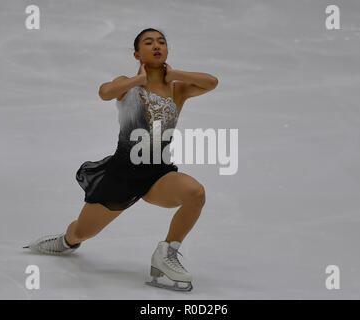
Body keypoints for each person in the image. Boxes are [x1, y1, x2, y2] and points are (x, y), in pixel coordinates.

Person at [24, 28, 218, 291]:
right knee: (84, 231)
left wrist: (175, 74)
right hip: (122, 175)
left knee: (195, 193)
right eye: (148, 43)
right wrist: (136, 81)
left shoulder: (178, 90)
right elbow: (105, 92)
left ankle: (167, 253)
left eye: (161, 42)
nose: (157, 45)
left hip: (158, 174)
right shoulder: (126, 85)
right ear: (137, 53)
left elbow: (211, 82)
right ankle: (66, 241)